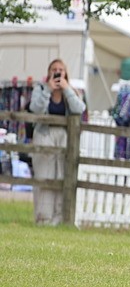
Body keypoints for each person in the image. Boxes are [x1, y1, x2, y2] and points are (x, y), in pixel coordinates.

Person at [28, 59, 86, 225]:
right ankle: (43, 217)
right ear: (49, 72)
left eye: (61, 69)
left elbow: (79, 109)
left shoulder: (71, 91)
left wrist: (66, 89)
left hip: (64, 137)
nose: (58, 72)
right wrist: (48, 90)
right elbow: (36, 109)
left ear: (66, 72)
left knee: (62, 176)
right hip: (44, 134)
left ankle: (59, 218)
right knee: (44, 176)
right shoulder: (40, 89)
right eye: (54, 69)